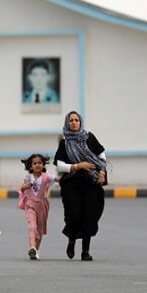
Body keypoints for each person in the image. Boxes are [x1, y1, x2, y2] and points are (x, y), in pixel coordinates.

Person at [53, 111, 107, 261]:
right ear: (67, 123)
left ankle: (85, 251)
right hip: (72, 184)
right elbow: (60, 165)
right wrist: (78, 166)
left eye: (77, 120)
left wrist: (102, 172)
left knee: (89, 215)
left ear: (80, 122)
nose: (74, 122)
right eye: (71, 120)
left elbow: (102, 157)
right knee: (73, 215)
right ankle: (71, 240)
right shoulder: (64, 143)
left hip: (91, 182)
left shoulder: (90, 138)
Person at [19, 154, 55, 260]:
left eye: (40, 163)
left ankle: (35, 250)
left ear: (43, 165)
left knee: (39, 230)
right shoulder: (28, 177)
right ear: (30, 166)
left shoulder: (47, 177)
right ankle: (32, 247)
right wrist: (27, 186)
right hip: (30, 204)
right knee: (32, 227)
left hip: (42, 205)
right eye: (34, 163)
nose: (37, 165)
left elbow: (58, 179)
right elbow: (22, 186)